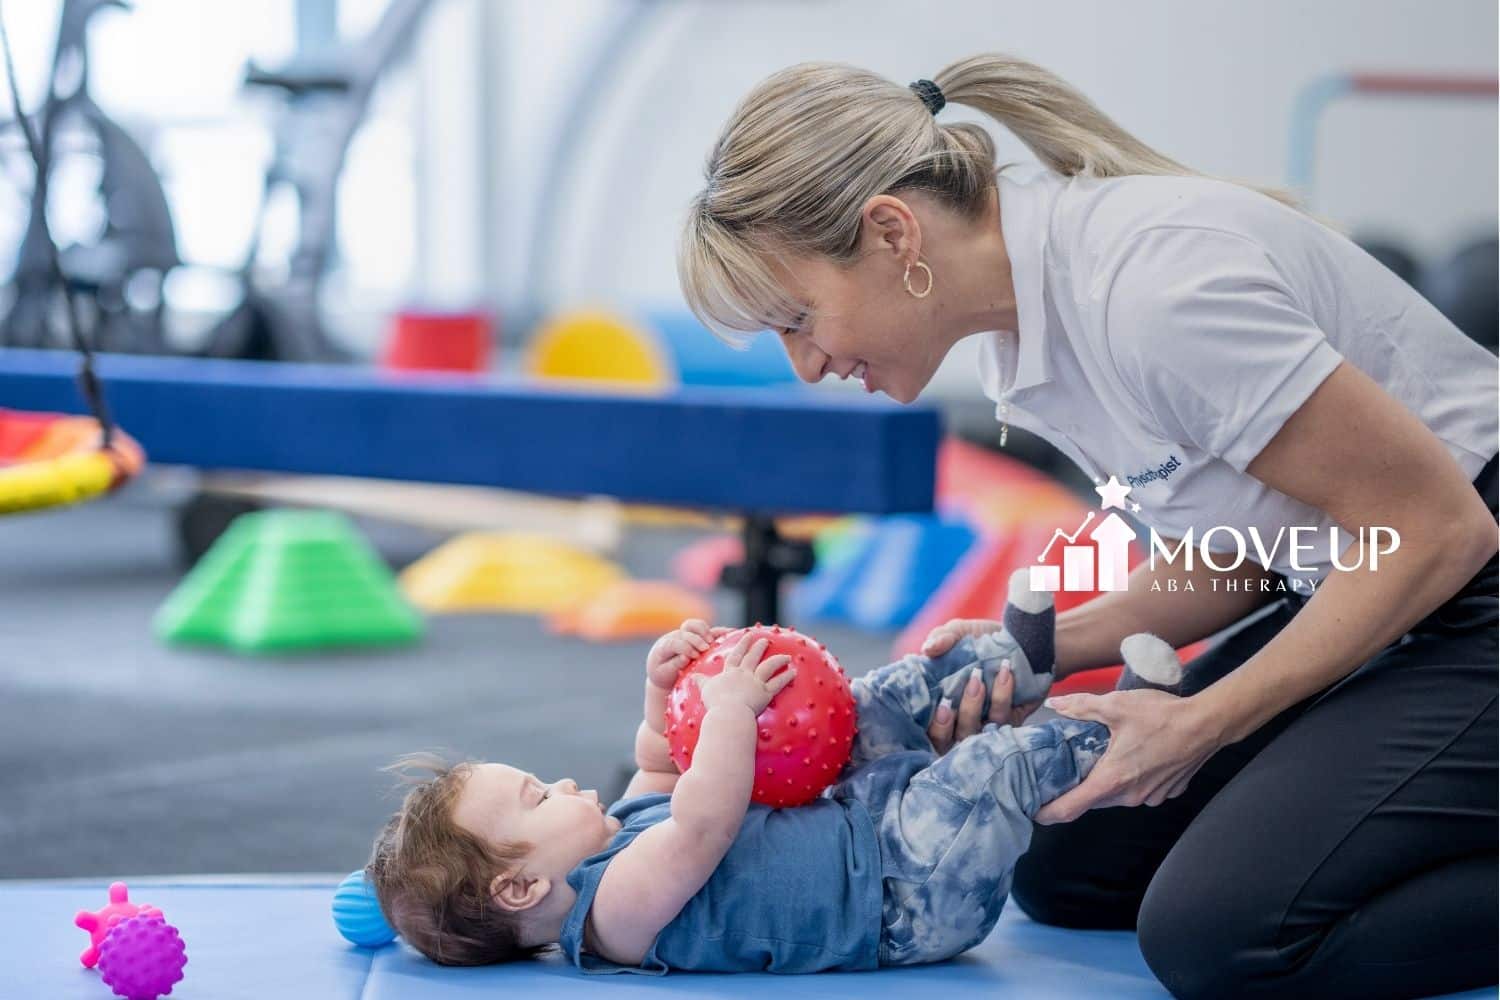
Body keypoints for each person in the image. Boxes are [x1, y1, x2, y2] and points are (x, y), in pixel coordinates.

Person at [677, 54, 1498, 999]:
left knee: (1227, 935)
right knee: (1073, 861)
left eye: (796, 319)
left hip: (1468, 566)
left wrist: (1200, 721)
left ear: (893, 232)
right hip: (1393, 575)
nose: (805, 366)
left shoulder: (1152, 295)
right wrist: (1042, 649)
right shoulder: (1019, 344)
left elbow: (1440, 529)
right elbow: (1261, 547)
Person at [366, 577, 1177, 973]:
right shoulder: (614, 916)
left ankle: (1021, 662)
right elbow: (702, 823)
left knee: (875, 701)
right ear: (518, 890)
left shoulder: (611, 837)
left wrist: (666, 682)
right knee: (989, 770)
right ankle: (1120, 729)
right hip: (905, 900)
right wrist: (726, 709)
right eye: (537, 798)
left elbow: (660, 761)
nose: (566, 787)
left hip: (859, 818)